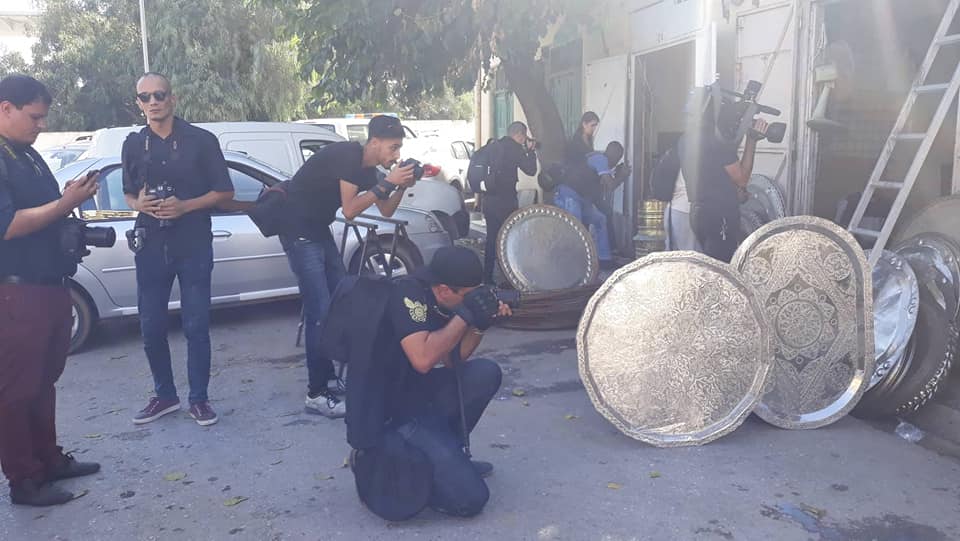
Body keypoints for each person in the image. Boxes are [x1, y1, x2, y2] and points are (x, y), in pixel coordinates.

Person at [334, 246, 509, 520]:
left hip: (415, 396)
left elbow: (452, 360)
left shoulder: (443, 299)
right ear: (443, 289)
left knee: (485, 373)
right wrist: (466, 315)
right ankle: (378, 462)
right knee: (471, 499)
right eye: (468, 295)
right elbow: (423, 359)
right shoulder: (407, 295)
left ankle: (451, 457)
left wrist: (480, 324)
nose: (473, 300)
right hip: (387, 414)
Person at [0, 74, 101, 506]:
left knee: (44, 381)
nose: (41, 126)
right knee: (17, 389)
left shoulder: (27, 154)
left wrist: (67, 205)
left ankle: (49, 460)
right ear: (5, 108)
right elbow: (7, 225)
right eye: (34, 117)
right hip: (17, 291)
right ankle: (24, 480)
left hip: (52, 286)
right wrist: (65, 203)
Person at [278, 115, 416, 418]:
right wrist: (388, 182)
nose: (396, 154)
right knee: (319, 312)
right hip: (297, 231)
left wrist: (401, 186)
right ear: (374, 142)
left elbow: (386, 209)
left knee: (341, 302)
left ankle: (329, 379)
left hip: (317, 231)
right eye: (393, 147)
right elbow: (350, 210)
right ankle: (316, 394)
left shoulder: (369, 170)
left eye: (399, 148)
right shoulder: (348, 156)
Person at [122, 73, 235, 427]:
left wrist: (186, 206)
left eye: (160, 94)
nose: (153, 101)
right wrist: (138, 204)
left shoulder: (202, 140)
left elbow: (225, 192)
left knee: (196, 325)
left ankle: (199, 399)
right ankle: (165, 395)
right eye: (145, 97)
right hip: (150, 244)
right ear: (139, 103)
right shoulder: (133, 144)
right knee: (151, 325)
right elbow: (128, 193)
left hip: (193, 242)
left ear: (173, 98)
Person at [683, 90, 767, 262]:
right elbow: (742, 178)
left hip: (698, 212)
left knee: (707, 264)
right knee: (720, 267)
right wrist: (752, 140)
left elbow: (710, 174)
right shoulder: (718, 143)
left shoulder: (687, 140)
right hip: (719, 215)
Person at [554, 141, 630, 268]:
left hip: (580, 199)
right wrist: (622, 176)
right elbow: (611, 185)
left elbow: (600, 190)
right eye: (617, 158)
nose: (616, 163)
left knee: (600, 220)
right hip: (569, 196)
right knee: (576, 229)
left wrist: (616, 175)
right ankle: (574, 265)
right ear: (613, 154)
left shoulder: (597, 161)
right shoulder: (601, 159)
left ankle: (604, 259)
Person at [483, 121, 538, 285]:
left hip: (489, 200)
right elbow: (531, 170)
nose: (524, 140)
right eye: (524, 136)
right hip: (506, 201)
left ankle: (487, 277)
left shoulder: (494, 146)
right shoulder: (515, 149)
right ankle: (507, 278)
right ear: (519, 135)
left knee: (492, 238)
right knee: (508, 238)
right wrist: (531, 151)